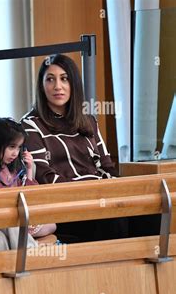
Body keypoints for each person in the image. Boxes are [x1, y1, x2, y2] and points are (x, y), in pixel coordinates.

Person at [20, 54, 153, 242]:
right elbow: (44, 176)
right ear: (42, 86)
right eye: (50, 79)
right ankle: (113, 268)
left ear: (73, 84)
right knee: (113, 220)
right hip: (66, 206)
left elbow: (107, 167)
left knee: (151, 211)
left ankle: (145, 269)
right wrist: (90, 195)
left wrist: (117, 192)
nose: (58, 86)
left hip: (100, 199)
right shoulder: (30, 125)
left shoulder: (88, 121)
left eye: (64, 79)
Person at [0, 117, 56, 248]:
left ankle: (25, 238)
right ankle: (31, 247)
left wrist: (29, 169)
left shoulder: (14, 167)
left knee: (51, 224)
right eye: (11, 147)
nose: (15, 153)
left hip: (16, 217)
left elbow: (31, 197)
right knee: (12, 224)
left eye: (19, 147)